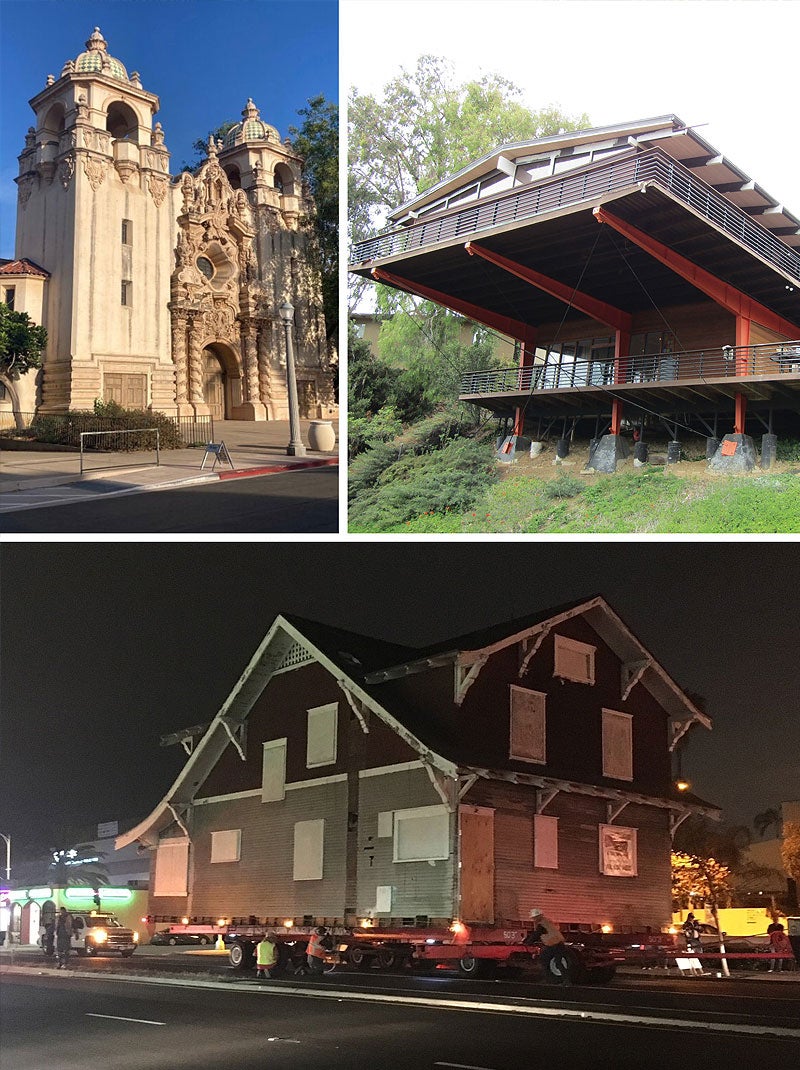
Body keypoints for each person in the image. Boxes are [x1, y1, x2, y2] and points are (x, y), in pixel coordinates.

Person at [530, 909, 571, 985]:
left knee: (543, 960)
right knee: (558, 962)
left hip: (553, 945)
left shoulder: (541, 924)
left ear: (537, 917)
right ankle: (567, 981)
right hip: (559, 944)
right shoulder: (547, 922)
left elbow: (536, 934)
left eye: (534, 918)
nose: (534, 920)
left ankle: (548, 979)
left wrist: (528, 942)